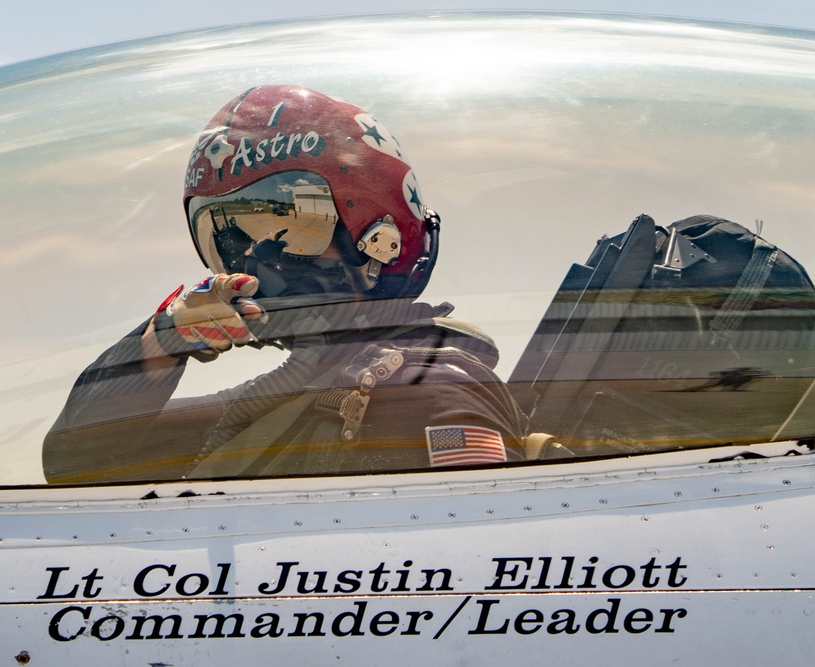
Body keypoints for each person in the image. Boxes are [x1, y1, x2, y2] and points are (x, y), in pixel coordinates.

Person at [43, 85, 530, 485]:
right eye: (231, 237)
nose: (254, 258)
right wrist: (163, 341)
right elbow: (75, 464)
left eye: (293, 226)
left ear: (380, 236)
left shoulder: (427, 395)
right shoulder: (294, 394)